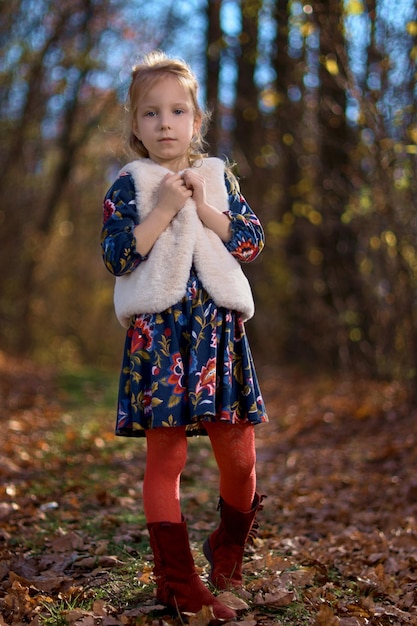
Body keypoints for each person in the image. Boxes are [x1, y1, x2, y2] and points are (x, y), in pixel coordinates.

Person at [101, 50, 268, 621]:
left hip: (218, 332)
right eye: (151, 114)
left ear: (196, 120)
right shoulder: (130, 185)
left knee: (240, 458)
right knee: (165, 460)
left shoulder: (217, 177)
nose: (165, 123)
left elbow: (249, 243)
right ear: (135, 126)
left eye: (177, 111)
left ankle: (227, 547)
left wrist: (203, 206)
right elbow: (117, 255)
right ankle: (178, 582)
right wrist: (166, 207)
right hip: (161, 339)